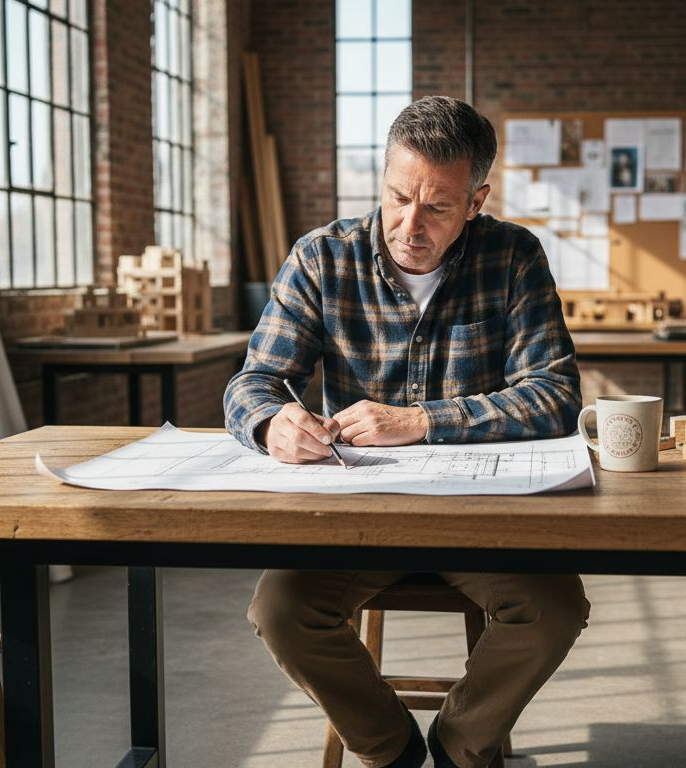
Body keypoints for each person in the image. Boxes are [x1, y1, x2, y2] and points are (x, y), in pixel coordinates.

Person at [223, 96, 589, 768]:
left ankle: (458, 745)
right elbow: (252, 383)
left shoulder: (513, 258)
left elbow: (557, 398)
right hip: (359, 515)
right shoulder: (321, 259)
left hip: (484, 513)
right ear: (383, 179)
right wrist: (273, 420)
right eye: (396, 197)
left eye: (437, 207)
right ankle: (390, 749)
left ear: (476, 201)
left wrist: (423, 421)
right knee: (279, 610)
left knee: (554, 611)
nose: (409, 224)